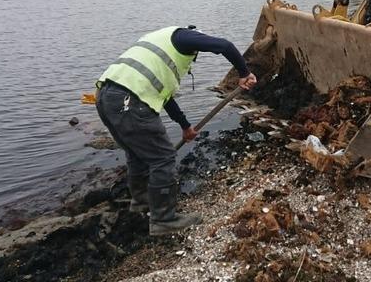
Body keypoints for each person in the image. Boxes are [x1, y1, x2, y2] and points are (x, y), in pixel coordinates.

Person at [95, 26, 256, 235]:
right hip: (129, 101)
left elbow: (166, 98)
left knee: (137, 154)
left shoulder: (155, 46)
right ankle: (163, 219)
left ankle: (142, 203)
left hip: (106, 98)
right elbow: (225, 45)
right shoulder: (183, 37)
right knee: (163, 158)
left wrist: (185, 127)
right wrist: (244, 73)